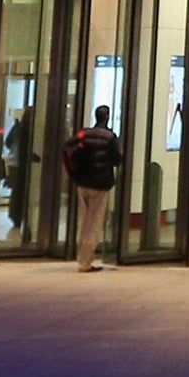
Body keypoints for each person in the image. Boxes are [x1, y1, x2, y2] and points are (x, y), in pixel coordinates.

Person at [65, 106, 122, 273]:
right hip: (100, 184)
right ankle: (85, 261)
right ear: (108, 117)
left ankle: (81, 257)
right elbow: (117, 160)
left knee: (83, 221)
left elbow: (70, 150)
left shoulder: (85, 134)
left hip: (82, 182)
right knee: (94, 223)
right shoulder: (110, 137)